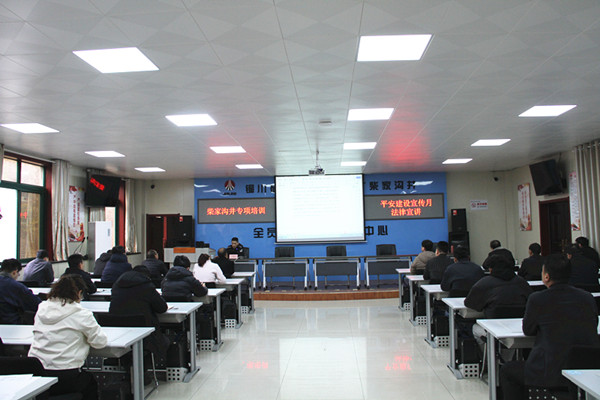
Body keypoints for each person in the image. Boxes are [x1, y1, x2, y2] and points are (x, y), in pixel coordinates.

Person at [499, 254, 599, 400]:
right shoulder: (587, 297)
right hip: (586, 371)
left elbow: (528, 330)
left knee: (507, 371)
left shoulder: (537, 299)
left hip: (551, 371)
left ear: (546, 276)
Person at [28, 275, 108, 400]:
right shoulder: (81, 314)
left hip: (37, 373)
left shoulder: (41, 309)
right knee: (90, 383)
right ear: (79, 293)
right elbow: (100, 342)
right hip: (66, 375)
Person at [466, 255, 532, 351]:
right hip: (520, 331)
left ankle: (489, 358)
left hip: (493, 331)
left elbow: (470, 303)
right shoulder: (522, 282)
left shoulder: (483, 283)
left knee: (475, 328)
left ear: (491, 269)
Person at [110, 265, 169, 359]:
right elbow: (162, 308)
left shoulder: (116, 286)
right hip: (145, 335)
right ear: (146, 276)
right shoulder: (147, 286)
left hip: (118, 335)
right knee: (165, 340)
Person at [0, 258, 41, 324]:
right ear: (14, 272)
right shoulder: (16, 286)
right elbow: (35, 304)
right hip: (11, 324)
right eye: (18, 274)